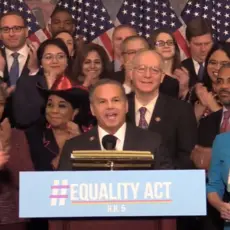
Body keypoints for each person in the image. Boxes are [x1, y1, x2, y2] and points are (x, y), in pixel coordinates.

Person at [57, 78, 175, 230]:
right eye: (102, 102)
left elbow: (170, 191)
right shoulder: (74, 147)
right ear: (92, 110)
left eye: (116, 100)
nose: (110, 107)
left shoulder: (152, 142)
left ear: (126, 106)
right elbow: (61, 196)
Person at [127, 49, 197, 169]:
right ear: (131, 74)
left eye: (154, 70)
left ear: (162, 77)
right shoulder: (118, 106)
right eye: (141, 69)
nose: (147, 75)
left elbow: (187, 158)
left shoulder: (181, 110)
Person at [26, 76, 90, 171]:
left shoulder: (88, 136)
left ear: (74, 112)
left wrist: (79, 142)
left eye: (62, 106)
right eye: (50, 105)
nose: (54, 111)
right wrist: (67, 148)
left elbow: (93, 174)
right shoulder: (32, 136)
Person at [12, 38, 74, 128]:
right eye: (49, 57)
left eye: (60, 56)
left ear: (67, 61)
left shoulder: (76, 83)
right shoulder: (26, 83)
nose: (55, 61)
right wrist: (48, 89)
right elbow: (22, 119)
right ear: (40, 62)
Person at [0, 84, 34, 230]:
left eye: (0, 103)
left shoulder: (16, 135)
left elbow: (26, 179)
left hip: (13, 219)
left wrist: (6, 144)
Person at [111, 35, 179, 98]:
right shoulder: (111, 81)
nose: (137, 55)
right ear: (122, 59)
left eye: (141, 51)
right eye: (131, 52)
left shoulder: (168, 83)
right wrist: (127, 83)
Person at [182, 17, 213, 87]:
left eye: (207, 43)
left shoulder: (222, 67)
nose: (203, 49)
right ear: (188, 43)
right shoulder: (180, 68)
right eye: (198, 44)